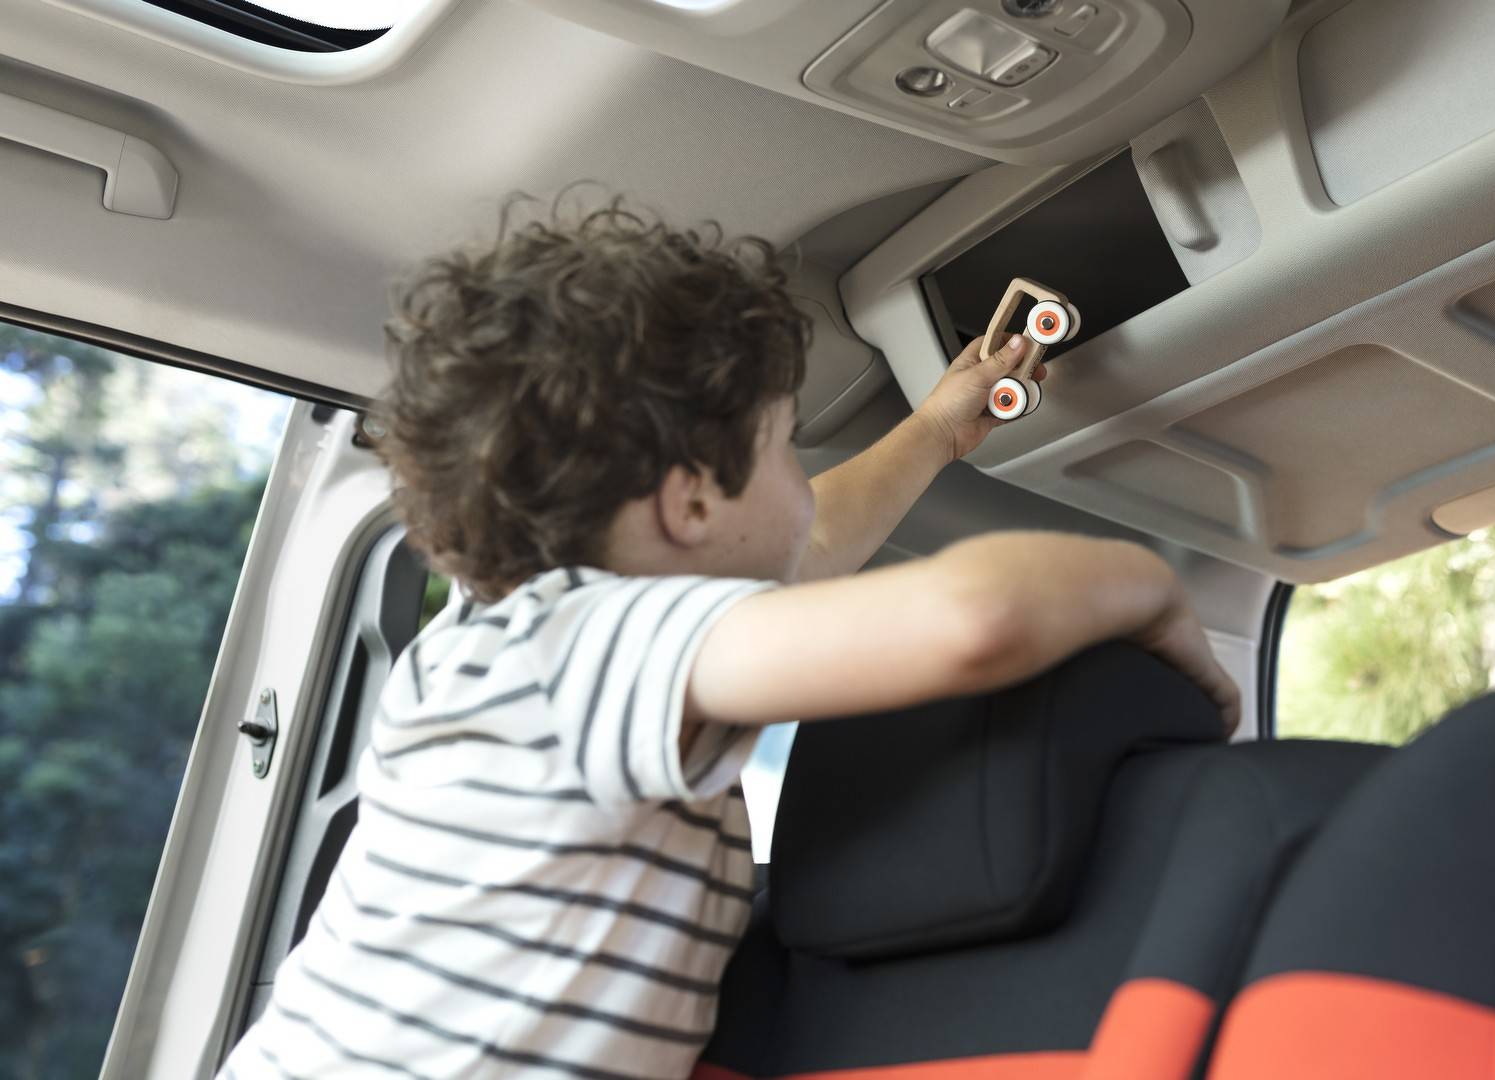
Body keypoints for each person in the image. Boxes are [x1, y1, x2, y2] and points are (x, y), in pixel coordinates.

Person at [218, 196, 1238, 1079]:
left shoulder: (510, 650)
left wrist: (933, 432)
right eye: (784, 447)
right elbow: (974, 620)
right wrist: (1151, 590)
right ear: (692, 502)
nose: (801, 482)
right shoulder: (572, 649)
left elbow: (809, 548)